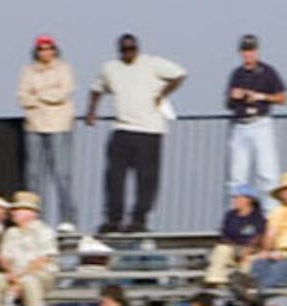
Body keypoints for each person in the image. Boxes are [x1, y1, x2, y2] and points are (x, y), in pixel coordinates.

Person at [86, 33, 188, 234]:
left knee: (146, 179)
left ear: (138, 49)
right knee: (114, 178)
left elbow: (179, 74)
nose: (128, 53)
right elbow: (96, 88)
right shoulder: (110, 68)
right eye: (125, 50)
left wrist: (162, 94)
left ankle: (139, 220)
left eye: (132, 49)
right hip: (122, 129)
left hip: (149, 130)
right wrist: (91, 111)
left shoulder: (152, 63)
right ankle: (113, 219)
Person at [17, 34, 77, 233]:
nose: (45, 52)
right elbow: (22, 97)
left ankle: (67, 218)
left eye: (48, 48)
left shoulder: (64, 68)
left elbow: (63, 93)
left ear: (54, 50)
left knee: (61, 174)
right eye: (41, 49)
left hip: (58, 125)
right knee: (33, 176)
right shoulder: (28, 71)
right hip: (34, 126)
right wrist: (45, 95)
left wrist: (38, 95)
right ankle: (36, 218)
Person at [226, 34, 287, 205]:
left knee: (267, 173)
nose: (248, 54)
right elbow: (228, 103)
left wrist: (261, 97)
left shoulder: (268, 72)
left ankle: (271, 212)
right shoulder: (237, 74)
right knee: (237, 175)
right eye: (245, 51)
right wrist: (234, 96)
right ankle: (239, 212)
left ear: (257, 51)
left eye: (251, 50)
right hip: (240, 125)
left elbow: (283, 97)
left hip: (261, 123)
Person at [0, 191, 59, 306]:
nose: (13, 212)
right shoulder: (11, 233)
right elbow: (4, 257)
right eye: (13, 209)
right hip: (14, 274)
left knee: (28, 281)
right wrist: (10, 273)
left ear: (31, 213)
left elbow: (42, 260)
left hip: (39, 275)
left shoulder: (44, 231)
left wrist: (19, 277)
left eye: (18, 209)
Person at [204, 185, 265, 286]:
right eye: (235, 198)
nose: (236, 201)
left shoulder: (257, 217)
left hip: (249, 251)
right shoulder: (230, 215)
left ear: (249, 200)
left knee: (249, 262)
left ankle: (241, 282)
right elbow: (224, 235)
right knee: (222, 249)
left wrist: (248, 249)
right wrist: (233, 246)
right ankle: (215, 279)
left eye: (239, 198)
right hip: (233, 249)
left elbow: (259, 236)